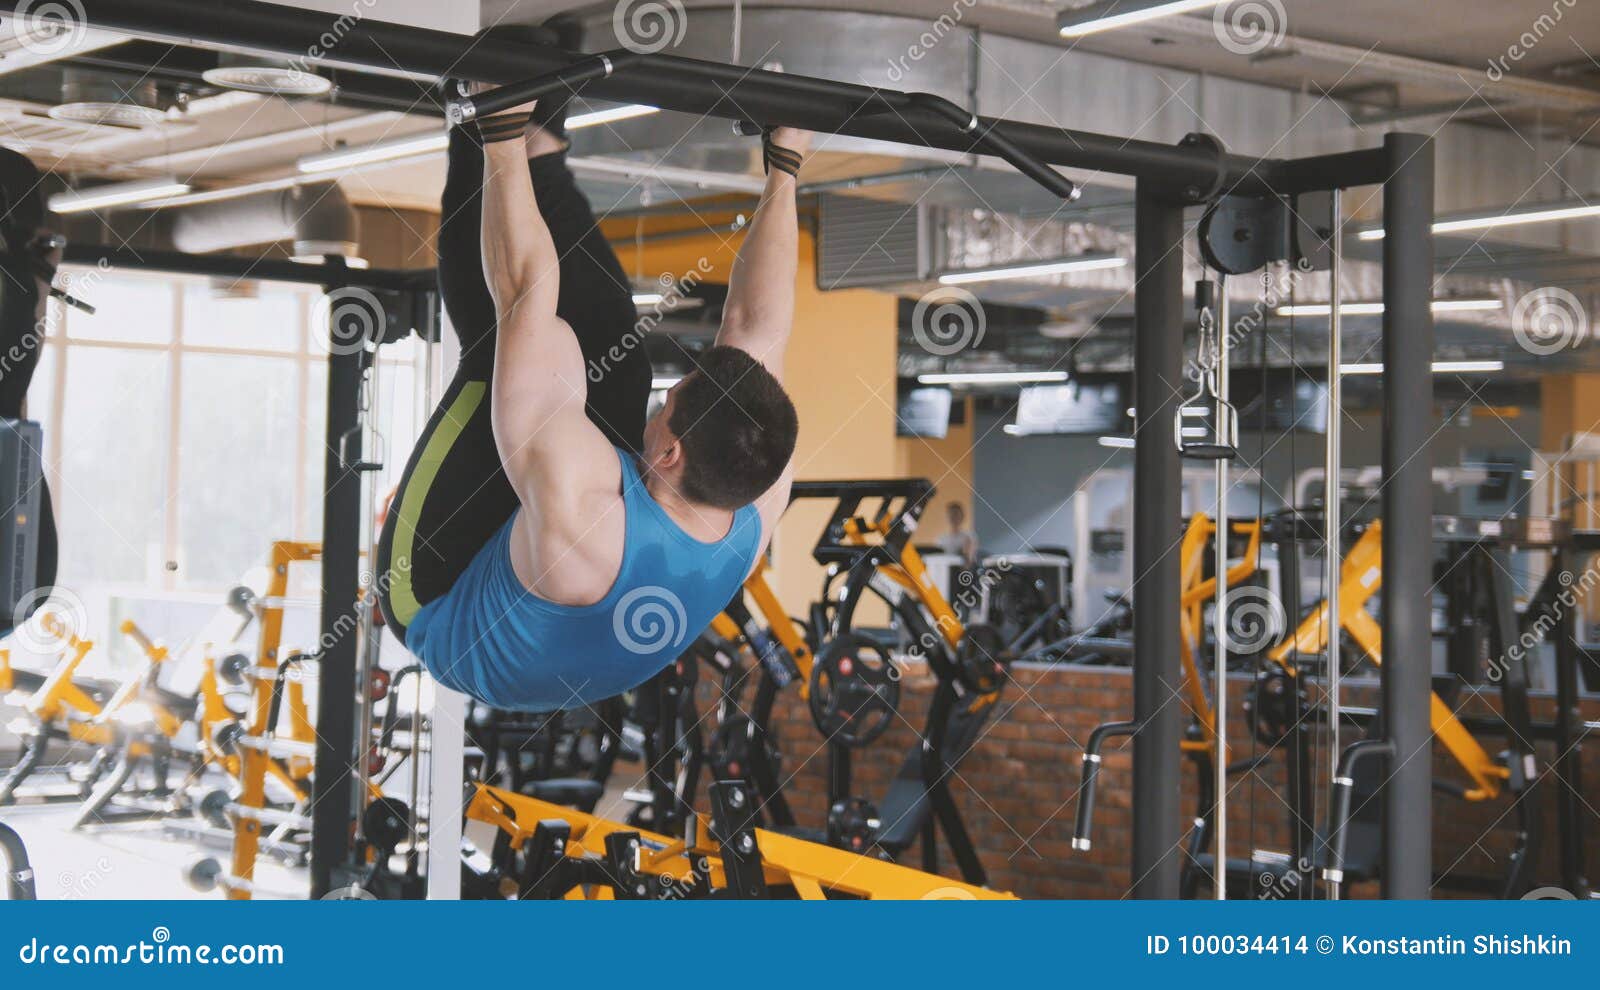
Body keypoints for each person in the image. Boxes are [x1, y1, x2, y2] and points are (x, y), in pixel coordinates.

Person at [375, 65, 810, 713]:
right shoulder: (759, 494)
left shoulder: (583, 508)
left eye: (668, 407)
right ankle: (544, 145)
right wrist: (787, 163)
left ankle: (481, 122)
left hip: (442, 602)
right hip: (572, 602)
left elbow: (523, 293)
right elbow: (758, 328)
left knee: (503, 351)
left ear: (670, 453)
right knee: (619, 363)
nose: (662, 404)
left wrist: (498, 130)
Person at [937, 502, 979, 567]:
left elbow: (969, 559)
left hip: (963, 569)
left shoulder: (970, 536)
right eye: (951, 514)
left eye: (956, 514)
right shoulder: (941, 539)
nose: (953, 517)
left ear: (962, 516)